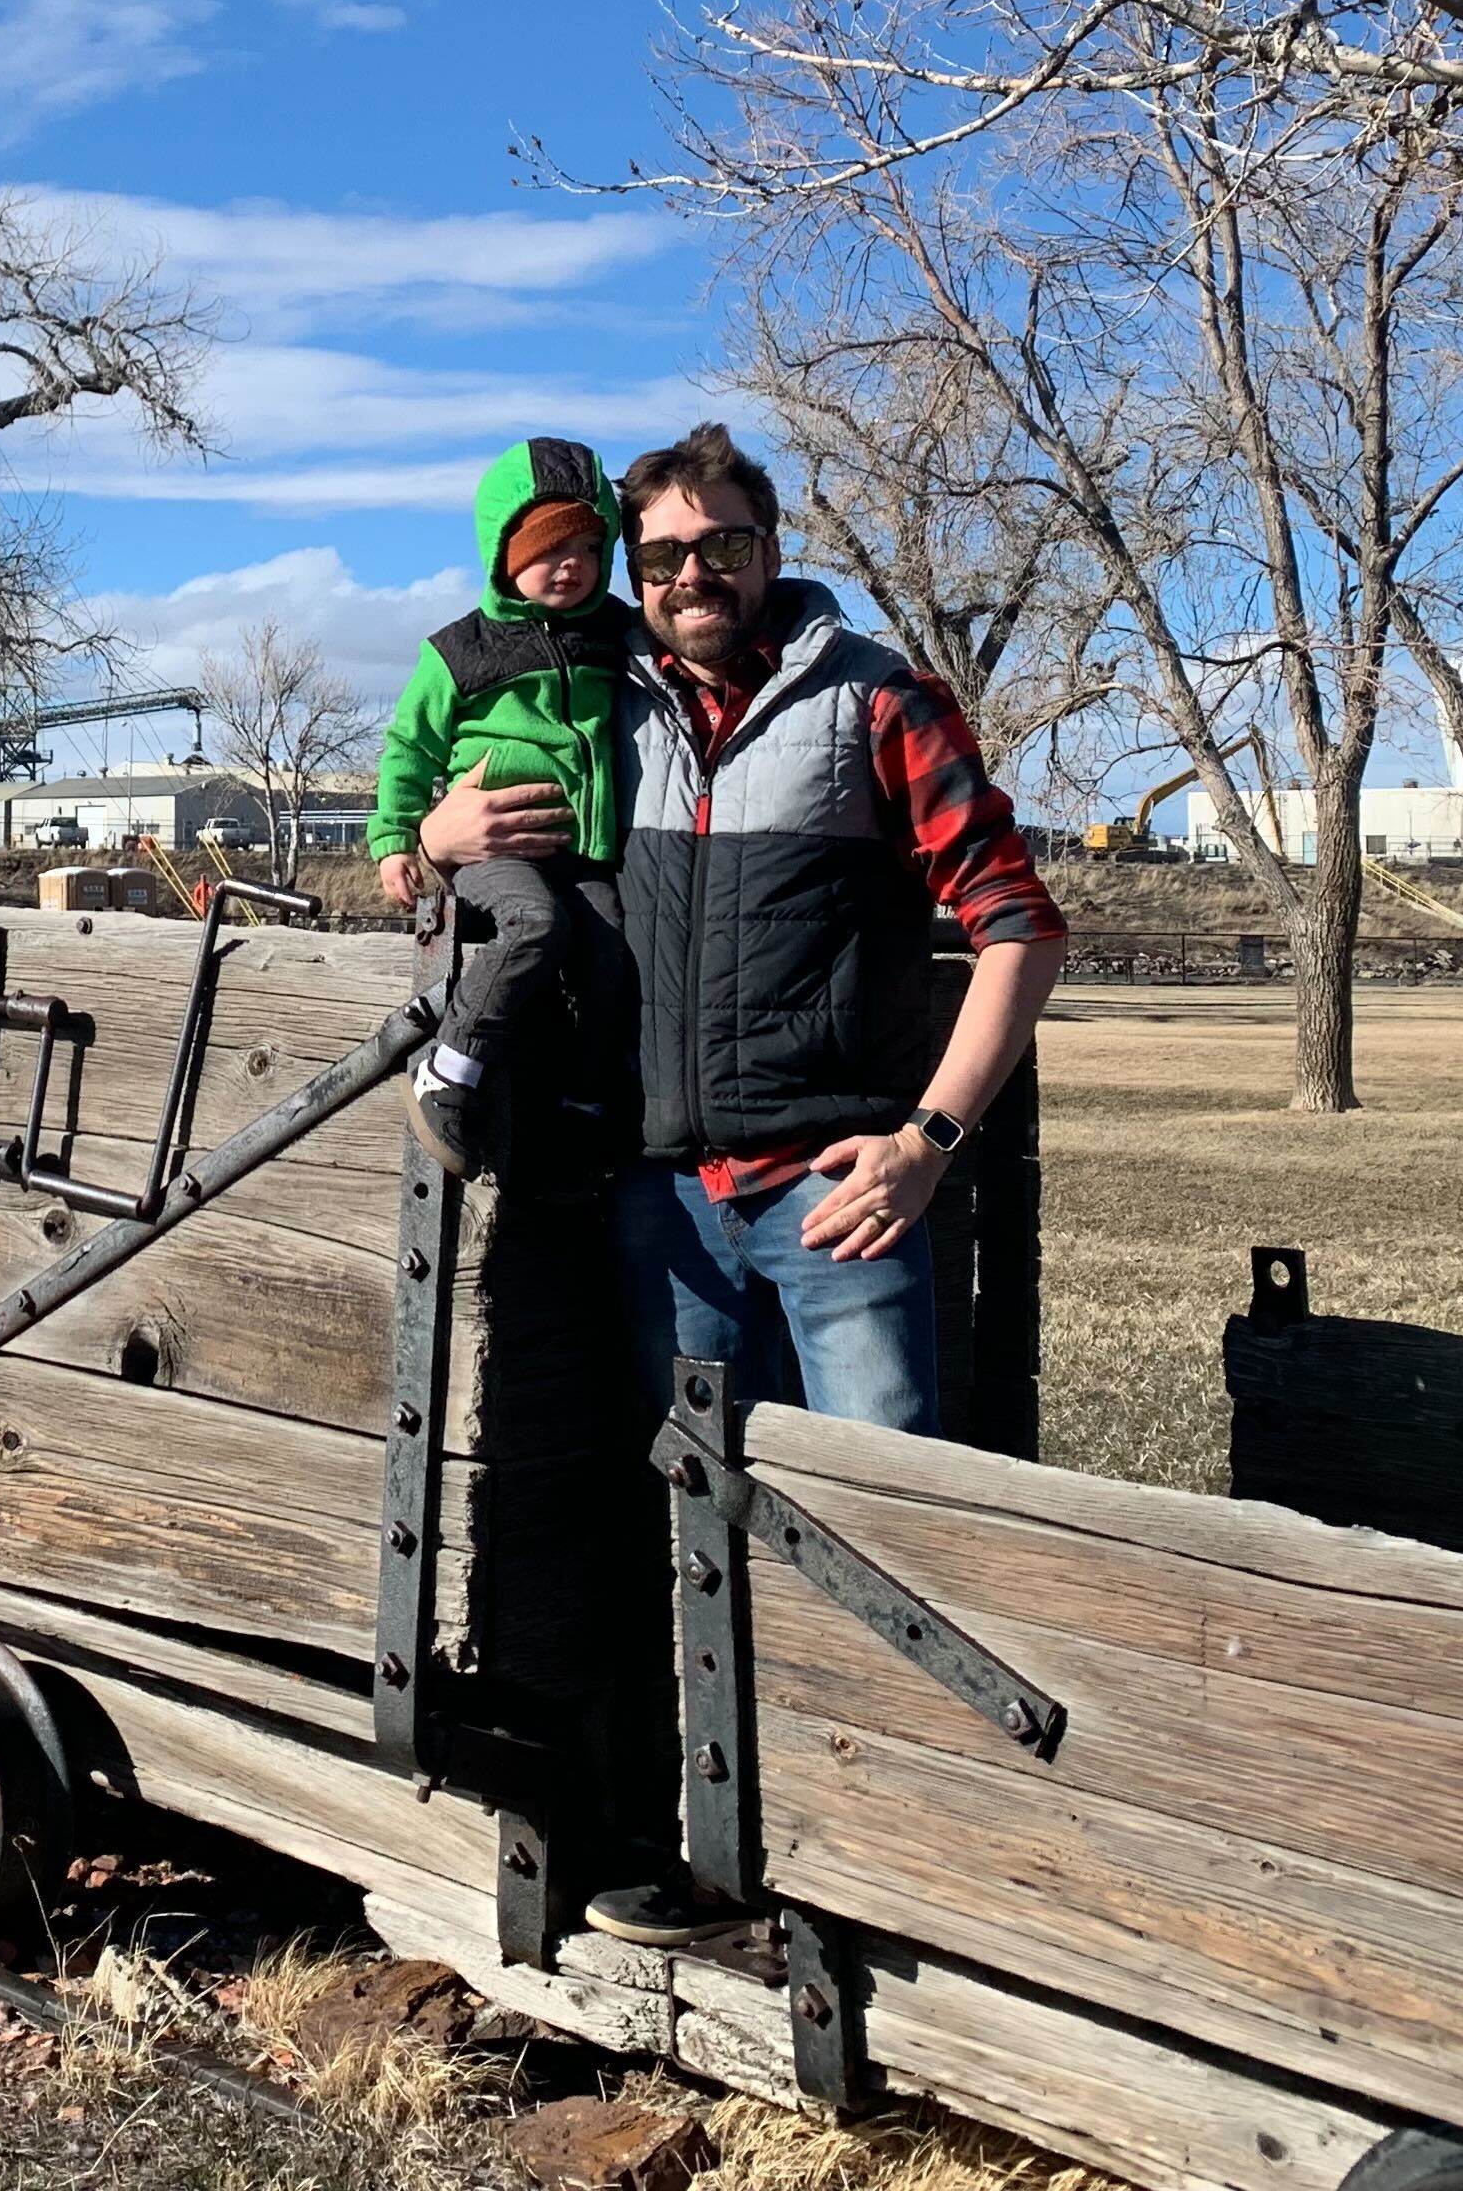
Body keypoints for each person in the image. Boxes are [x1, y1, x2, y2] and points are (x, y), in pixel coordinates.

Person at [418, 420, 1063, 1943]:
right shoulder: (602, 706)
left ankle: (920, 1887)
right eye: (664, 558)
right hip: (664, 1202)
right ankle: (727, 1866)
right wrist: (437, 839)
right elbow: (467, 819)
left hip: (840, 1197)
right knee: (699, 1533)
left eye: (723, 547)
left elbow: (1019, 925)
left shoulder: (873, 702)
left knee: (887, 1534)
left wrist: (931, 1142)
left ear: (771, 551)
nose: (693, 576)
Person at [367, 437, 644, 1176]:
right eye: (549, 547)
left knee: (614, 951)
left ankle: (580, 1107)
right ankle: (450, 1072)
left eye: (590, 545)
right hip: (493, 849)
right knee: (536, 925)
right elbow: (409, 747)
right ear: (502, 551)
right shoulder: (461, 649)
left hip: (581, 849)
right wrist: (396, 836)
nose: (572, 563)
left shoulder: (615, 637)